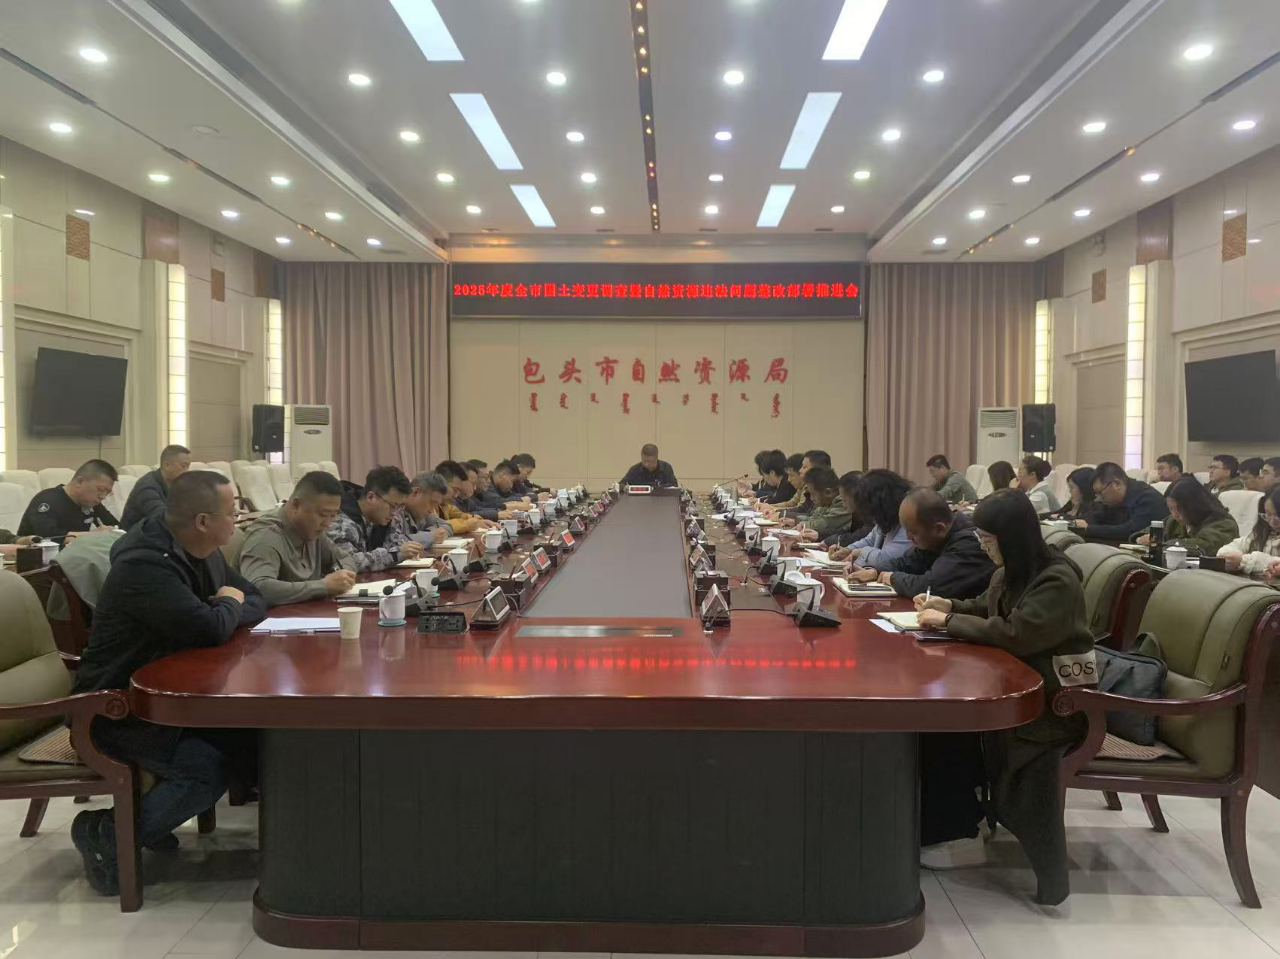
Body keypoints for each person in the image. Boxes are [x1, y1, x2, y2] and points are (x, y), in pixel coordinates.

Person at [69, 471, 267, 896]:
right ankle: (107, 834)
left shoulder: (203, 551)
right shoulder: (145, 566)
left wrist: (225, 608)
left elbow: (253, 598)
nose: (238, 520)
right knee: (205, 770)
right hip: (115, 708)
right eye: (232, 513)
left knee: (254, 739)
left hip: (172, 699)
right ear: (202, 522)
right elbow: (209, 628)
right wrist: (224, 608)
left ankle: (150, 820)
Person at [915, 489, 1094, 904]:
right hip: (1018, 687)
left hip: (1053, 704)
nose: (984, 547)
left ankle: (959, 830)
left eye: (988, 540)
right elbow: (986, 608)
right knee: (942, 727)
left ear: (1010, 538)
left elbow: (1016, 633)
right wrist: (948, 604)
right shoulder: (1011, 571)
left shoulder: (1056, 579)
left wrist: (949, 621)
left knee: (950, 731)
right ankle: (957, 823)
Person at [847, 488, 994, 599]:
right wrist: (875, 571)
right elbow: (906, 562)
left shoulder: (969, 543)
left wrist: (891, 578)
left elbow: (932, 586)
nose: (908, 537)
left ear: (939, 528)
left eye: (913, 532)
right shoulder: (935, 537)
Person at [239, 470, 359, 606]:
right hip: (272, 617)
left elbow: (345, 558)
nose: (327, 523)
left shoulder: (314, 532)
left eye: (333, 515)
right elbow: (258, 587)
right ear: (296, 505)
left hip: (306, 613)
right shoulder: (266, 534)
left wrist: (340, 576)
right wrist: (323, 586)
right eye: (323, 514)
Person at [327, 466, 424, 572]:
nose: (395, 513)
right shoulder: (342, 523)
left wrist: (408, 550)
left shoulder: (380, 518)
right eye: (393, 505)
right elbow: (346, 563)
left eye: (400, 507)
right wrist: (395, 555)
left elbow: (395, 544)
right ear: (370, 497)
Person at [18, 458, 118, 541]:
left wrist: (112, 531)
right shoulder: (47, 500)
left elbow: (115, 526)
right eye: (100, 490)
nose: (103, 496)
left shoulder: (92, 503)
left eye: (107, 493)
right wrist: (93, 536)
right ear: (80, 482)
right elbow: (47, 537)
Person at [830, 469, 913, 566]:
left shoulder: (908, 521)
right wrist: (848, 550)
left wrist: (862, 552)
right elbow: (870, 540)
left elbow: (887, 560)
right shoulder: (886, 518)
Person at [1142, 475, 1239, 555]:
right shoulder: (1175, 521)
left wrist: (1159, 543)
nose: (1175, 515)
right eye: (1171, 509)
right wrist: (1142, 538)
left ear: (1195, 505)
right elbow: (1146, 532)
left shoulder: (1224, 524)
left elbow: (1201, 546)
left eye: (1179, 509)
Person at [1074, 461, 1168, 541]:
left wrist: (1089, 529)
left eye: (1100, 492)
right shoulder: (1111, 500)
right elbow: (1094, 518)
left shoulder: (1148, 498)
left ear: (1116, 484)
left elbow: (1130, 531)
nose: (1098, 498)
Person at [119, 445, 192, 530]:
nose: (186, 471)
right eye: (183, 466)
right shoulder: (147, 487)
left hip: (158, 533)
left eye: (188, 467)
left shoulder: (177, 484)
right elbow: (162, 518)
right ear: (166, 465)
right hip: (136, 536)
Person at [1218, 487, 1280, 575]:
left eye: (1277, 516)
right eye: (1268, 515)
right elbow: (1236, 545)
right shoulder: (1264, 532)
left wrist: (1244, 561)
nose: (1272, 521)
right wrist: (1231, 558)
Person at [389, 470, 453, 547]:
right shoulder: (395, 509)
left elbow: (447, 525)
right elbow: (391, 543)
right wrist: (430, 536)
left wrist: (434, 533)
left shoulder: (423, 512)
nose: (431, 510)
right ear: (416, 492)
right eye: (432, 503)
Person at [793, 466, 852, 541]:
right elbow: (813, 518)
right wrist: (799, 522)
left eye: (813, 494)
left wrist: (803, 524)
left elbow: (826, 524)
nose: (811, 498)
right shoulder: (826, 502)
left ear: (828, 492)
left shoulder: (842, 503)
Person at [435, 460, 494, 533]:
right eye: (455, 490)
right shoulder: (429, 503)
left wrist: (478, 521)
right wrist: (466, 524)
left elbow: (461, 515)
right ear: (441, 484)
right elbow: (435, 526)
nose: (456, 496)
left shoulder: (445, 505)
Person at [824, 471, 873, 547]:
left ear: (856, 496)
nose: (843, 504)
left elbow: (857, 538)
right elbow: (848, 531)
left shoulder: (873, 515)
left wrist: (834, 540)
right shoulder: (858, 513)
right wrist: (819, 535)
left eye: (844, 500)